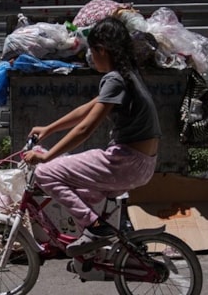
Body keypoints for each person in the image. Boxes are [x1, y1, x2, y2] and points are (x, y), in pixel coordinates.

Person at [23, 16, 161, 257]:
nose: (90, 57)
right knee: (79, 185)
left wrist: (46, 157)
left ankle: (95, 227)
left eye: (92, 51)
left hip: (125, 162)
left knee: (46, 172)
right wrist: (49, 129)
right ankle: (98, 253)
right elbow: (86, 109)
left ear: (102, 50)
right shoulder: (129, 75)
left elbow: (85, 128)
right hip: (144, 164)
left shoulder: (115, 79)